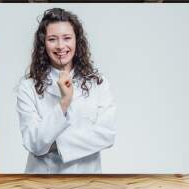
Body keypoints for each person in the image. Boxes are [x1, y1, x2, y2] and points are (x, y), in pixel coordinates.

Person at [16, 8, 116, 174]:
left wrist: (55, 144)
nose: (61, 46)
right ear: (44, 44)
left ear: (77, 41)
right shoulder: (28, 87)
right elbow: (34, 143)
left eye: (67, 38)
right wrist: (64, 102)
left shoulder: (98, 83)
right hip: (43, 183)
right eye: (52, 39)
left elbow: (107, 135)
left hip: (87, 178)